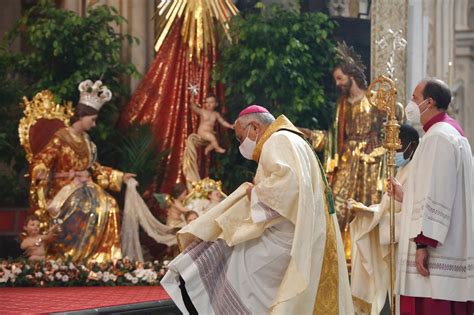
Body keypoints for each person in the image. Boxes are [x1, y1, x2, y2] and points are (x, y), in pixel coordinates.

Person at [161, 105, 353, 314]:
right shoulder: (294, 140)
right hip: (301, 231)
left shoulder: (278, 140)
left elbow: (289, 187)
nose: (241, 145)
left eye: (240, 137)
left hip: (287, 236)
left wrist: (255, 193)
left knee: (224, 262)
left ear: (254, 127)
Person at [390, 78, 473, 314]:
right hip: (447, 249)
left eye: (415, 98)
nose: (411, 103)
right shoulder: (450, 133)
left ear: (430, 102)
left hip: (435, 262)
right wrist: (406, 196)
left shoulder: (438, 137)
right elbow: (441, 193)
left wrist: (422, 243)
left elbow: (438, 193)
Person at [30, 79, 135, 263]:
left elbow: (95, 168)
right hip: (63, 190)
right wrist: (40, 169)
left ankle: (101, 259)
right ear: (82, 116)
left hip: (86, 187)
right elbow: (42, 159)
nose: (94, 124)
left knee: (109, 205)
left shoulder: (87, 142)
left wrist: (119, 176)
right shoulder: (60, 138)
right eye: (92, 120)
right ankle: (72, 258)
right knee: (87, 208)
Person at [300, 42, 385, 260]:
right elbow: (335, 138)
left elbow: (393, 125)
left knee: (365, 207)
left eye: (340, 78)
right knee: (336, 205)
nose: (338, 83)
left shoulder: (374, 99)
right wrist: (311, 135)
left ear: (351, 75)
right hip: (348, 159)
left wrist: (379, 139)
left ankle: (363, 256)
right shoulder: (343, 104)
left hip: (370, 163)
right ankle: (336, 255)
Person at [349, 124, 419, 314]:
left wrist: (377, 219)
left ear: (411, 146)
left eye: (398, 147)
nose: (394, 152)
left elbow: (415, 211)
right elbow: (388, 207)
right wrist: (367, 211)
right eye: (391, 148)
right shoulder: (401, 171)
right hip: (395, 246)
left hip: (408, 247)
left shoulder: (417, 171)